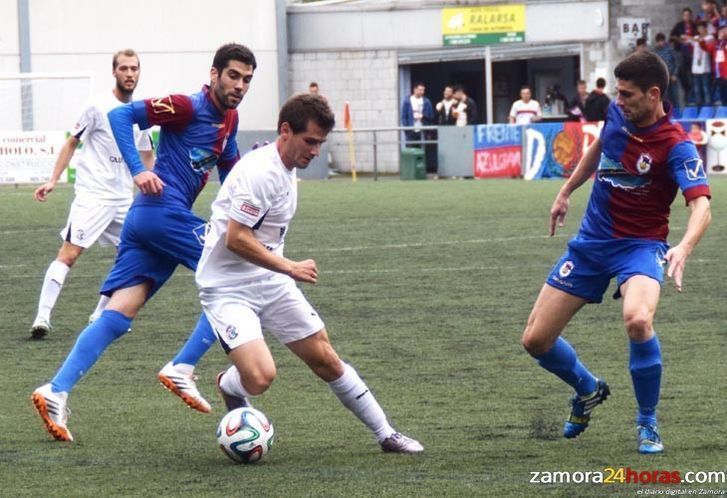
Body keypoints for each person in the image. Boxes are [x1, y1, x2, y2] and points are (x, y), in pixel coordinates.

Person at [30, 43, 257, 442]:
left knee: (119, 313)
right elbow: (121, 115)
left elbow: (229, 170)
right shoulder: (185, 106)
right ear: (214, 74)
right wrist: (137, 170)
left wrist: (256, 177)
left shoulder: (230, 121)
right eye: (233, 75)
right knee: (236, 276)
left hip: (146, 222)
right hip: (160, 212)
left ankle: (56, 390)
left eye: (247, 80)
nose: (239, 85)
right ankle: (182, 367)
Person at [198, 93, 423, 454]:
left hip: (269, 279)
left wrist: (281, 270)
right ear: (285, 131)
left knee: (324, 356)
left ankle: (387, 434)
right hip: (228, 287)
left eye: (321, 143)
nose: (316, 151)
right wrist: (289, 267)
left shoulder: (286, 167)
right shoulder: (260, 173)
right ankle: (230, 384)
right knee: (259, 377)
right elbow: (236, 238)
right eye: (311, 141)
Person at [521, 51, 711, 454]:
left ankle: (648, 422)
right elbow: (600, 146)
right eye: (618, 94)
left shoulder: (677, 145)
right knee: (535, 340)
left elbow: (702, 207)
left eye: (626, 94)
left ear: (653, 93)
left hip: (640, 248)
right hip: (591, 243)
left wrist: (684, 246)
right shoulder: (617, 114)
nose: (617, 101)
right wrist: (565, 191)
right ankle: (587, 389)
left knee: (638, 319)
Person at [29, 50, 154, 340]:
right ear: (114, 72)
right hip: (93, 195)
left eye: (134, 68)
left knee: (134, 256)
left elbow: (147, 153)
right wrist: (52, 180)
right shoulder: (97, 106)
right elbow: (71, 143)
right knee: (70, 254)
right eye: (124, 68)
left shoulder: (141, 113)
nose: (129, 73)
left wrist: (152, 188)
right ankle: (42, 317)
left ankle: (100, 314)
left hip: (123, 199)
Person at [689, 21, 715, 107]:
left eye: (701, 28)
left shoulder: (710, 37)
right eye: (698, 28)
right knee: (697, 90)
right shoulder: (696, 37)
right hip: (696, 68)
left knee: (706, 89)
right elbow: (690, 42)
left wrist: (694, 39)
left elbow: (705, 44)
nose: (700, 30)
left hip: (705, 68)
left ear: (705, 28)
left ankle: (708, 108)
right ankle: (698, 109)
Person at [653, 33, 680, 106]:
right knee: (665, 97)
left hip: (672, 77)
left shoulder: (670, 49)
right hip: (663, 78)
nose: (660, 43)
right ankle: (668, 113)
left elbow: (676, 62)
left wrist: (675, 74)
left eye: (661, 41)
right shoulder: (655, 52)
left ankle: (677, 114)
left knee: (674, 96)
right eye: (658, 42)